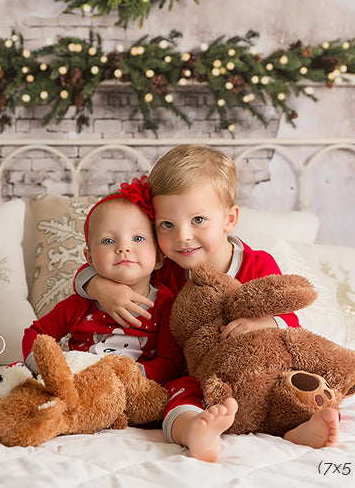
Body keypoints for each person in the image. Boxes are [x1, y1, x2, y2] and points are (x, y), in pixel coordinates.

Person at [74, 145, 340, 461]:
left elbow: (290, 318)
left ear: (229, 218)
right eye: (166, 225)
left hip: (253, 369)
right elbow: (99, 266)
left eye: (198, 219)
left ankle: (303, 429)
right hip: (196, 376)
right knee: (179, 396)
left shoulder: (257, 265)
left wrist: (263, 323)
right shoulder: (166, 266)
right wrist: (101, 286)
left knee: (301, 384)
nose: (183, 237)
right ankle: (195, 431)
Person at [0, 179, 183, 428]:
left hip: (126, 391)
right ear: (89, 258)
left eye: (138, 238)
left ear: (159, 257)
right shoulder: (81, 304)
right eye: (109, 241)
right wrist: (48, 368)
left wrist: (132, 377)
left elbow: (170, 362)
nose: (124, 247)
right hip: (71, 383)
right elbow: (36, 333)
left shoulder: (165, 305)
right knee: (16, 371)